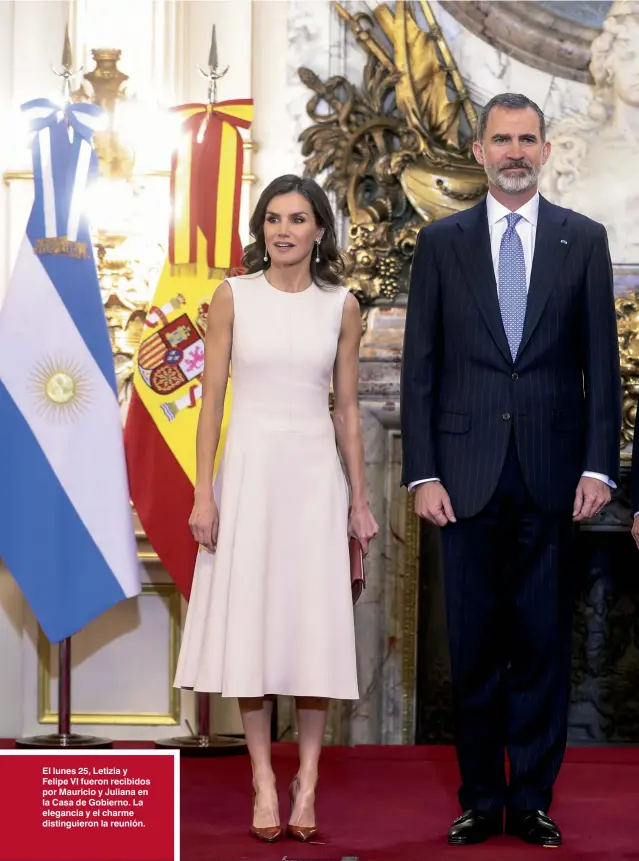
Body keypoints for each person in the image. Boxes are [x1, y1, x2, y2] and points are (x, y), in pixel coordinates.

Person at [401, 93, 621, 847]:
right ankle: (477, 797)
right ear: (479, 148)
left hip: (555, 478)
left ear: (545, 150)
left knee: (539, 648)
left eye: (527, 139)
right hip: (460, 481)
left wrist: (600, 467)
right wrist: (421, 472)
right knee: (472, 650)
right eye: (502, 139)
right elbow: (419, 370)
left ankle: (529, 798)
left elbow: (601, 368)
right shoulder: (440, 242)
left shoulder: (582, 240)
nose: (515, 151)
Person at [173, 174, 378, 843]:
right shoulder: (232, 295)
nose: (283, 230)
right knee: (254, 627)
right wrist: (204, 490)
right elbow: (210, 405)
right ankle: (263, 775)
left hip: (315, 478)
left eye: (297, 219)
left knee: (310, 627)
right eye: (271, 219)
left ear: (320, 228)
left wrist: (360, 499)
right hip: (249, 476)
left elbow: (346, 409)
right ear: (260, 229)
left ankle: (308, 778)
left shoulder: (342, 305)